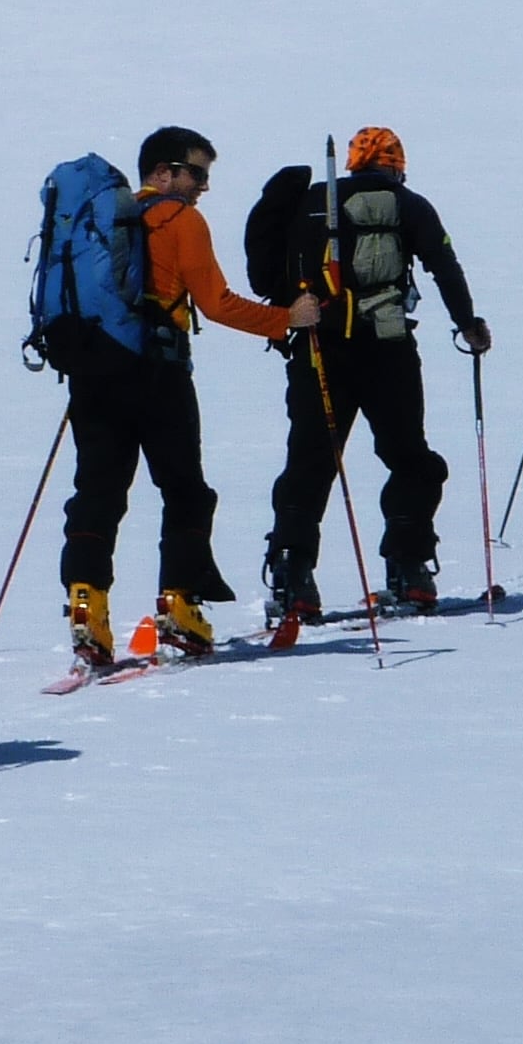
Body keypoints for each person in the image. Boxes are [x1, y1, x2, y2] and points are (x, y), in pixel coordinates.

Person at [58, 126, 318, 660]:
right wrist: (284, 319)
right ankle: (179, 606)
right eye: (196, 173)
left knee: (98, 493)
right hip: (159, 371)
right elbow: (216, 302)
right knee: (185, 491)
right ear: (162, 172)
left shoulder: (94, 223)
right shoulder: (182, 220)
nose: (202, 187)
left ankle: (87, 610)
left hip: (93, 369)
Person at [262, 127, 490, 619]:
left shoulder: (314, 201)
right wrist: (468, 324)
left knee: (311, 462)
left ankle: (292, 573)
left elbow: (277, 272)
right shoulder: (410, 204)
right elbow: (443, 265)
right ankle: (409, 568)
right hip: (388, 348)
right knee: (409, 457)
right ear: (395, 165)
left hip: (319, 349)